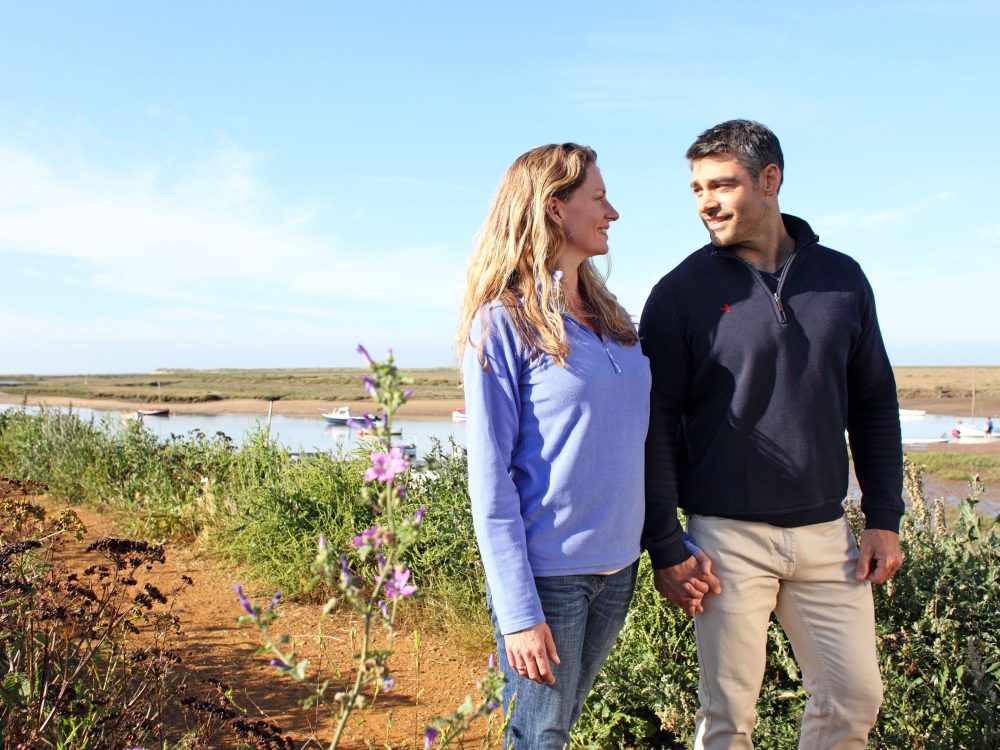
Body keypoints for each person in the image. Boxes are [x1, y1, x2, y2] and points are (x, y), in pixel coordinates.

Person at [641, 120, 904, 749]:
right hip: (725, 540)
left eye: (722, 184)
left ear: (769, 180)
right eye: (698, 188)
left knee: (854, 697)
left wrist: (884, 515)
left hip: (824, 535)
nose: (707, 201)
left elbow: (873, 402)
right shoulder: (679, 294)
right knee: (729, 717)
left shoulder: (843, 279)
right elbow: (651, 427)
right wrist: (665, 544)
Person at [458, 144, 694, 749]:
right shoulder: (503, 323)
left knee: (557, 729)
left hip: (618, 568)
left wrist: (669, 541)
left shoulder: (611, 319)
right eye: (599, 197)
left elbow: (629, 441)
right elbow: (490, 482)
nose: (612, 212)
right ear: (555, 209)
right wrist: (518, 612)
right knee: (539, 737)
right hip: (549, 575)